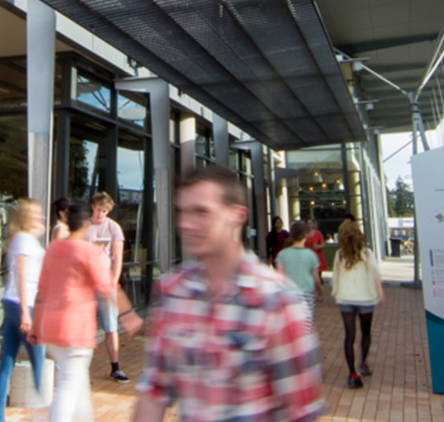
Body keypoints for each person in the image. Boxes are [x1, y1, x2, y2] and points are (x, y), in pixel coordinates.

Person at [135, 164, 322, 422]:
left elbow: (299, 411)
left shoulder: (277, 301)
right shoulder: (172, 291)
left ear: (237, 215)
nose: (186, 224)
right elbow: (154, 389)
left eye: (201, 212)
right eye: (182, 211)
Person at [32, 200, 140, 422]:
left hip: (51, 329)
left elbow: (41, 291)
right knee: (69, 387)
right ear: (84, 224)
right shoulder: (86, 251)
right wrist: (128, 315)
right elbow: (107, 287)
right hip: (74, 331)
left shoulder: (52, 249)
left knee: (78, 387)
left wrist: (36, 326)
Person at [0, 199, 47, 422]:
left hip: (12, 302)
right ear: (26, 216)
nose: (41, 217)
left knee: (7, 362)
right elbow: (21, 274)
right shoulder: (24, 240)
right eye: (36, 213)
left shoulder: (22, 238)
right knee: (38, 361)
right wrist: (25, 311)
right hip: (23, 304)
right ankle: (46, 412)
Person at [329, 219, 385, 388]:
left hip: (345, 297)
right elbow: (375, 273)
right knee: (366, 332)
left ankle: (352, 373)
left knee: (349, 335)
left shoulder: (340, 254)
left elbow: (336, 274)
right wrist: (379, 291)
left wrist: (336, 292)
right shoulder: (367, 253)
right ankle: (364, 361)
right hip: (365, 298)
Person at [88, 192, 130, 383]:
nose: (101, 214)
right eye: (99, 210)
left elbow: (118, 257)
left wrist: (113, 281)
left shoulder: (114, 228)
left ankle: (115, 366)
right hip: (86, 284)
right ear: (93, 207)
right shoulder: (85, 227)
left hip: (105, 284)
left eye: (104, 211)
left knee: (110, 326)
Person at [273, 220, 326, 332]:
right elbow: (317, 280)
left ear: (292, 235)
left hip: (288, 296)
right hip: (306, 296)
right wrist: (319, 289)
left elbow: (278, 279)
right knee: (306, 329)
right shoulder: (311, 255)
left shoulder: (282, 255)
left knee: (288, 330)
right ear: (306, 236)